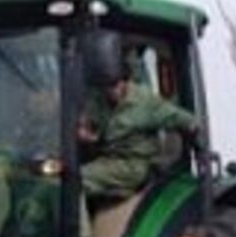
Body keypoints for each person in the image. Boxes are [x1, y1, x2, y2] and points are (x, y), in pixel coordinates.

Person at [79, 71, 197, 205]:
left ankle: (76, 226)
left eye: (114, 86)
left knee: (74, 182)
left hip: (132, 164)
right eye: (107, 88)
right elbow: (92, 124)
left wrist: (194, 135)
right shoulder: (100, 99)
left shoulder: (145, 102)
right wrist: (86, 133)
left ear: (124, 81)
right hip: (106, 158)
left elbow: (184, 120)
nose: (112, 91)